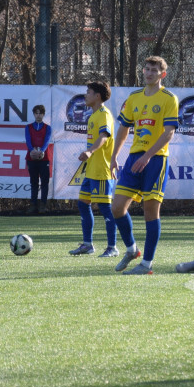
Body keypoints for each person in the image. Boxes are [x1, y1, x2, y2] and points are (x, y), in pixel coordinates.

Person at [109, 56, 180, 275]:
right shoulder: (134, 98)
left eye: (154, 70)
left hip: (156, 159)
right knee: (117, 207)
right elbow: (123, 129)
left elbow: (168, 133)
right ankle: (132, 250)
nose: (149, 73)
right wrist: (114, 157)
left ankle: (147, 264)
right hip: (134, 158)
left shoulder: (169, 98)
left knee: (151, 211)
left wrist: (148, 156)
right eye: (147, 69)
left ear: (162, 74)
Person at [68, 82, 117, 257]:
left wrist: (89, 151)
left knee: (105, 208)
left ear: (97, 96)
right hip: (91, 171)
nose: (85, 95)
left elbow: (104, 137)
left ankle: (112, 247)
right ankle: (87, 244)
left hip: (102, 171)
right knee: (83, 204)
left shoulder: (104, 115)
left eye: (88, 92)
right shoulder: (93, 116)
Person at [24, 104, 52, 214]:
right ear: (34, 114)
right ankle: (33, 205)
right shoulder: (28, 127)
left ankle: (43, 205)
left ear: (43, 114)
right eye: (36, 113)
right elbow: (28, 140)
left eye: (40, 113)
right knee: (34, 182)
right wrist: (32, 151)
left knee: (45, 182)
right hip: (31, 158)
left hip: (44, 159)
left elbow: (47, 141)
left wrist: (42, 151)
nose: (38, 115)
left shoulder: (47, 127)